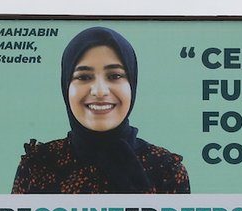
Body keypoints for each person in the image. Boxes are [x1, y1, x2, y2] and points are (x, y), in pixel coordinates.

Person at [11, 26, 190, 194]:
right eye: (84, 77)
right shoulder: (38, 166)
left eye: (115, 76)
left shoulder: (164, 169)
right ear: (66, 86)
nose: (99, 91)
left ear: (132, 84)